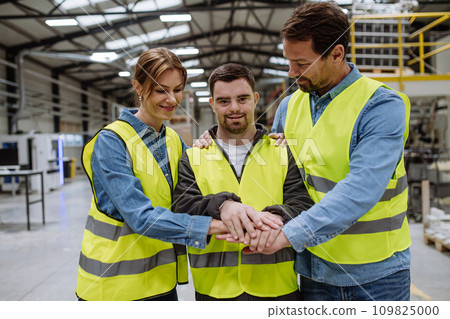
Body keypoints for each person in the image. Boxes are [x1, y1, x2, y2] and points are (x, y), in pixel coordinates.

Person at [257, 2, 412, 301]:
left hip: (376, 275)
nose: (292, 72)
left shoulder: (380, 106)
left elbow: (362, 187)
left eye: (301, 64)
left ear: (336, 54)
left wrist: (290, 234)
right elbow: (275, 173)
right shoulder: (289, 107)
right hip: (314, 270)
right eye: (289, 62)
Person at [75, 47, 231, 301]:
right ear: (138, 86)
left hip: (161, 283)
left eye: (177, 89)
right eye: (161, 90)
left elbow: (196, 192)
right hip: (113, 289)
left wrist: (266, 141)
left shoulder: (173, 140)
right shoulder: (112, 141)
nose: (172, 99)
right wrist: (214, 227)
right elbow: (140, 217)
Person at [173, 63, 314, 301]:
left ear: (255, 99)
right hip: (215, 292)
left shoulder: (282, 151)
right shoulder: (192, 156)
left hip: (277, 288)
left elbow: (301, 202)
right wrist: (221, 206)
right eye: (224, 101)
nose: (235, 108)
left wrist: (276, 217)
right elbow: (183, 207)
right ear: (212, 104)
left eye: (242, 98)